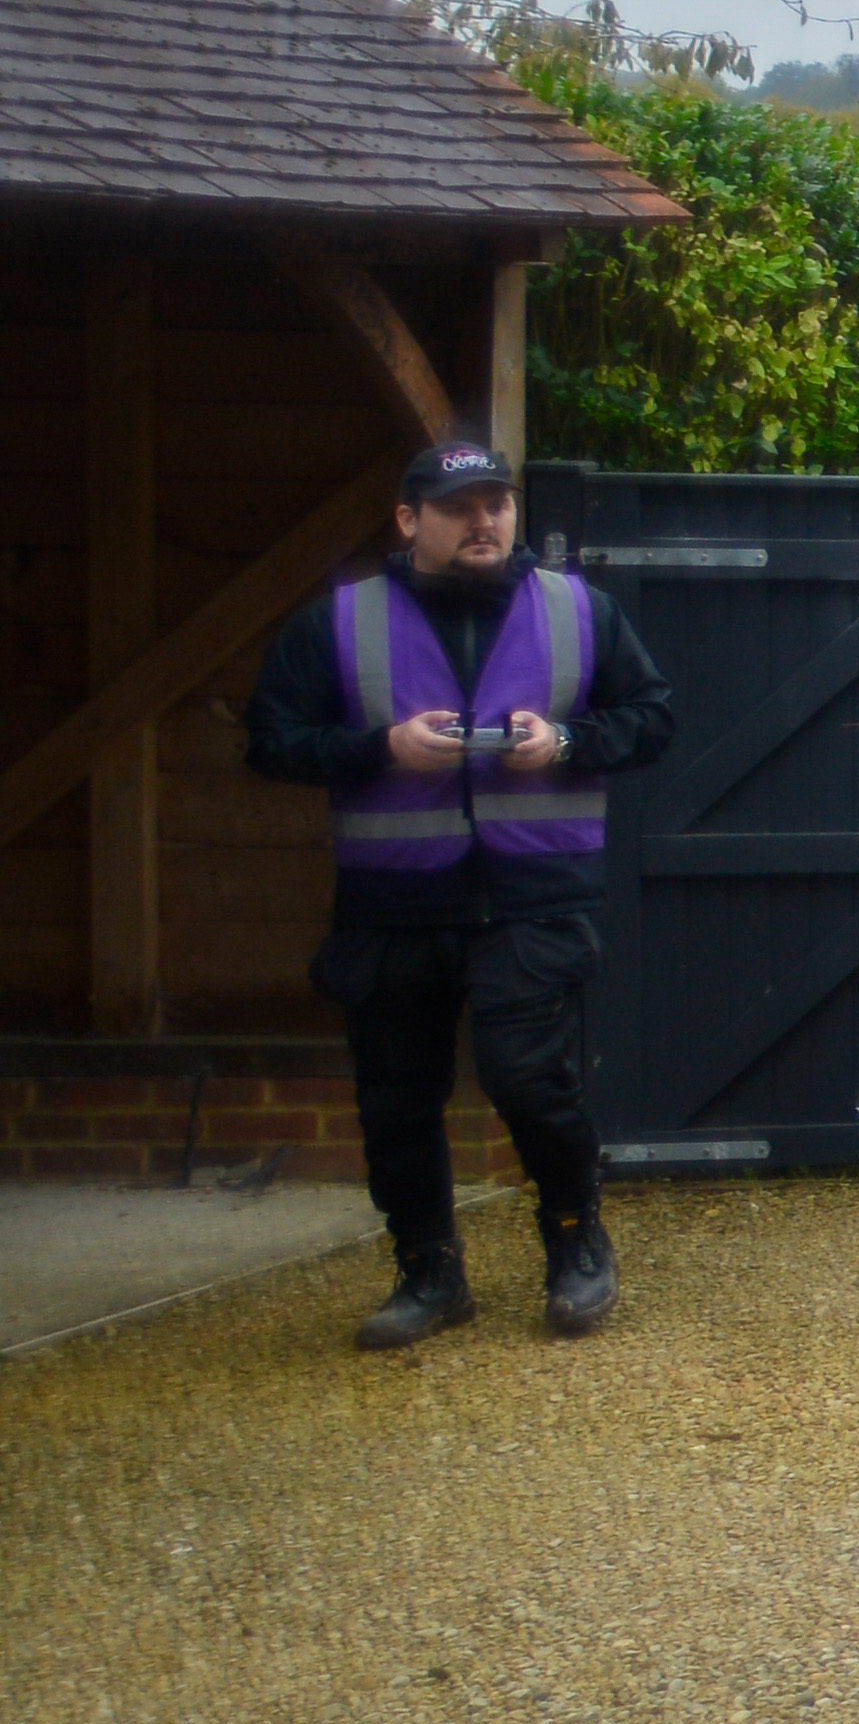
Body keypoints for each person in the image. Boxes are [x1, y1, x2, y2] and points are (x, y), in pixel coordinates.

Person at [246, 436, 674, 1347]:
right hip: (393, 903)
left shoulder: (579, 610)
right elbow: (270, 741)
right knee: (396, 1101)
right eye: (459, 507)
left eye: (498, 503)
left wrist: (562, 743)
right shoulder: (339, 622)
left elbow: (652, 720)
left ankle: (575, 1244)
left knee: (531, 1081)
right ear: (410, 521)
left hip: (533, 895)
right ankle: (429, 1275)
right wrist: (380, 749)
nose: (485, 521)